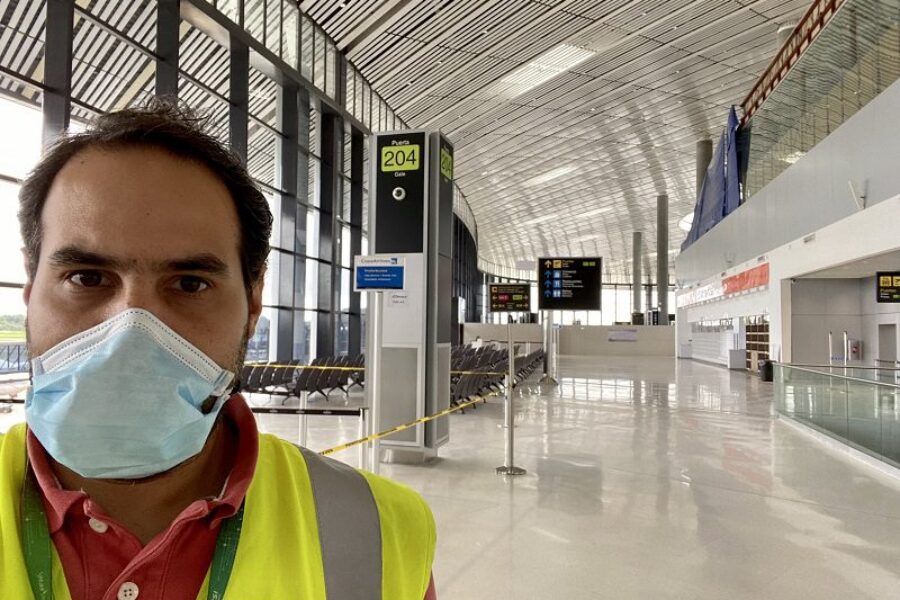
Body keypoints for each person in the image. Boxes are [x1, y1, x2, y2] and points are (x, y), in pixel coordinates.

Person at [0, 101, 437, 600]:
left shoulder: (379, 532)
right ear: (31, 294)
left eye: (189, 283)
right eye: (86, 278)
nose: (130, 332)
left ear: (252, 306)